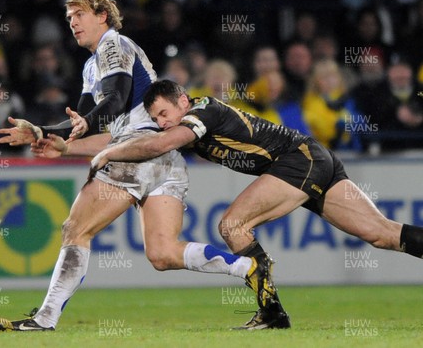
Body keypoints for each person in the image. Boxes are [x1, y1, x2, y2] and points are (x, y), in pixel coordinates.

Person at [0, 0, 275, 332]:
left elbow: (114, 99)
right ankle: (245, 267)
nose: (73, 23)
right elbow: (84, 122)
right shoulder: (90, 68)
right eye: (69, 17)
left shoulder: (114, 43)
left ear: (102, 16)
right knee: (163, 253)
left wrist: (74, 126)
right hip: (163, 158)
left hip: (138, 152)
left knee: (75, 229)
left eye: (80, 15)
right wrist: (42, 131)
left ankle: (45, 318)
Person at [82, 79, 423, 328]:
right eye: (156, 118)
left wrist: (108, 154)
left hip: (299, 159)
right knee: (382, 234)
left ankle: (271, 312)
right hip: (313, 157)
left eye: (164, 113)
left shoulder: (204, 110)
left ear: (183, 101)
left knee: (232, 225)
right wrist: (67, 145)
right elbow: (135, 138)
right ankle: (272, 312)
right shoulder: (186, 119)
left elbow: (159, 144)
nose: (161, 122)